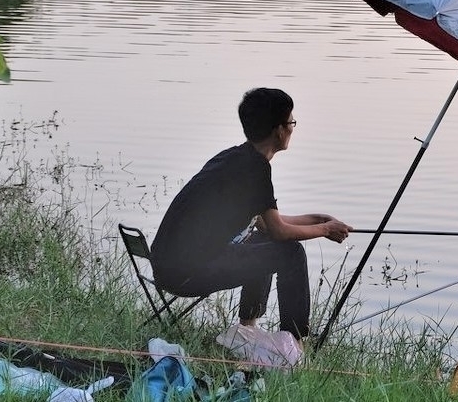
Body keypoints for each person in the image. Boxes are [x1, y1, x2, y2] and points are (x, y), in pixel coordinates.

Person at [150, 88, 353, 342]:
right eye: (291, 122)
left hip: (169, 265)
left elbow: (267, 225)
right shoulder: (255, 170)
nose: (292, 128)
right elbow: (279, 230)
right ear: (279, 130)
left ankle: (248, 329)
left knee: (266, 244)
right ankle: (296, 343)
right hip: (186, 272)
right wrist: (324, 231)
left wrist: (317, 219)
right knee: (290, 253)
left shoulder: (236, 158)